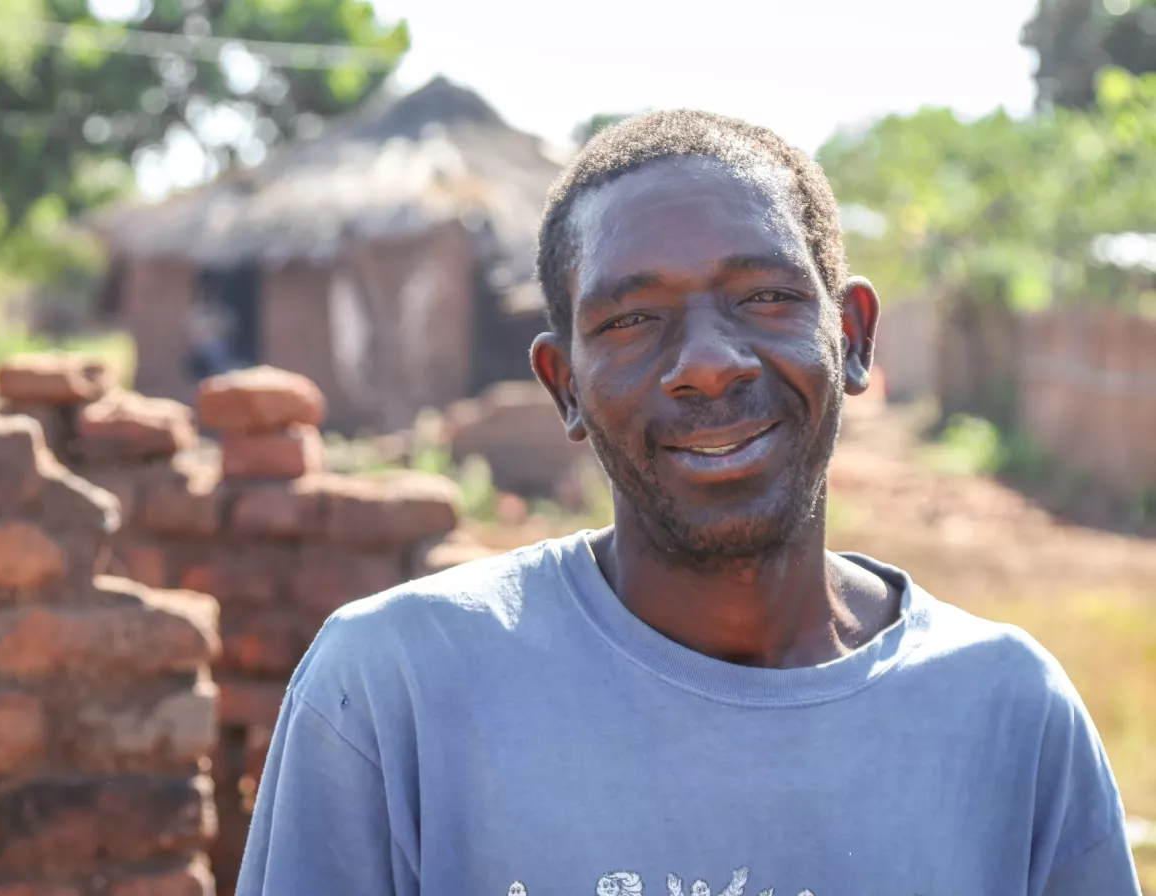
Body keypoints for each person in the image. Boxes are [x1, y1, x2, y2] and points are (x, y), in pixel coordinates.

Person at [235, 111, 1141, 896]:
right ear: (565, 389)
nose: (709, 361)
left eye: (766, 295)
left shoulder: (1008, 716)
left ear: (854, 337)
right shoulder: (394, 692)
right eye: (631, 319)